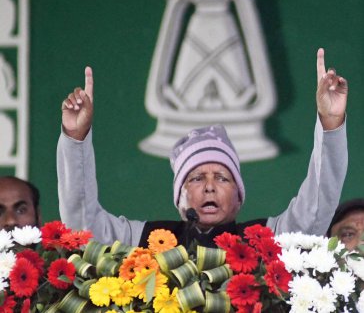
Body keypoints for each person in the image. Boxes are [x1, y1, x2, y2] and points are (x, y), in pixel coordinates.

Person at [57, 48, 348, 247]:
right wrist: (76, 137)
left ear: (239, 197)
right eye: (196, 178)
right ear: (178, 197)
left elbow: (316, 209)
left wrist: (331, 123)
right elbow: (83, 225)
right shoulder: (145, 239)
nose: (209, 187)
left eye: (222, 177)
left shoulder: (266, 240)